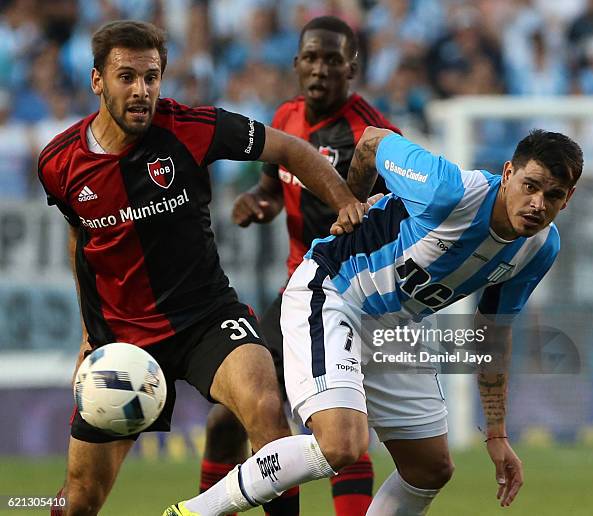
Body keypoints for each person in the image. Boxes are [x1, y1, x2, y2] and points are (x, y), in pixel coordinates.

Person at [37, 20, 365, 516]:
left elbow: (290, 149)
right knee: (78, 500)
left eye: (152, 77)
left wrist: (344, 201)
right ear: (96, 81)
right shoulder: (59, 163)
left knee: (265, 408)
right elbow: (79, 237)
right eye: (127, 77)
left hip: (206, 318)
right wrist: (89, 337)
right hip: (121, 340)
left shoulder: (192, 127)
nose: (142, 90)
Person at [167, 128, 583, 516]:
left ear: (567, 199)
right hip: (335, 291)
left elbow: (493, 333)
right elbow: (371, 141)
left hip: (396, 326)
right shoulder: (447, 190)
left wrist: (496, 433)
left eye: (553, 195)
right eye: (530, 186)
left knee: (430, 468)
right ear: (508, 173)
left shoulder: (540, 249)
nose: (537, 204)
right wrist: (349, 204)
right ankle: (195, 511)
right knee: (342, 444)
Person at [199, 16, 400, 516]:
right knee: (227, 416)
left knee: (338, 426)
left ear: (351, 67)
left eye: (332, 59)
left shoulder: (373, 136)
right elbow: (271, 189)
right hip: (298, 292)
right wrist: (257, 202)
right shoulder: (285, 119)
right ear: (296, 64)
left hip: (355, 296)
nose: (319, 69)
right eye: (311, 58)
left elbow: (401, 222)